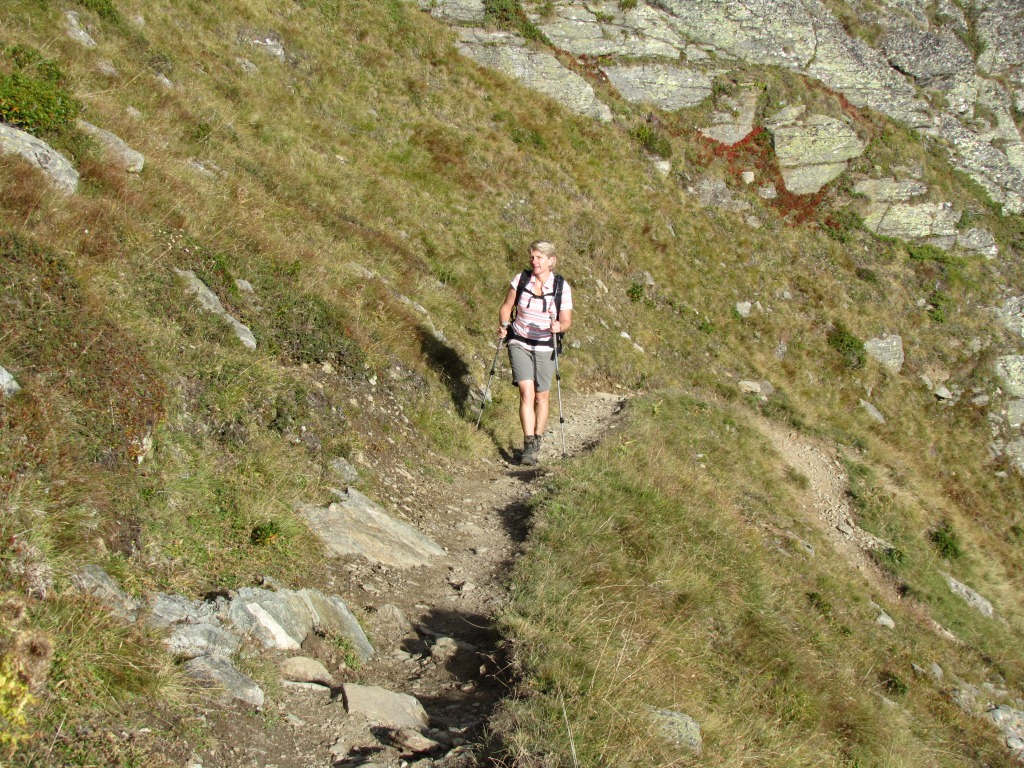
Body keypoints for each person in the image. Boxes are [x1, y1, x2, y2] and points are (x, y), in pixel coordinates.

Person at [497, 240, 573, 465]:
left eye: (539, 257)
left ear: (551, 260)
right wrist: (504, 325)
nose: (534, 261)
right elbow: (506, 306)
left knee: (541, 396)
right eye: (532, 257)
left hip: (545, 346)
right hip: (519, 341)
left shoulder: (561, 287)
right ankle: (529, 445)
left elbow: (566, 320)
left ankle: (537, 438)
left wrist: (559, 327)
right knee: (526, 393)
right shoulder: (521, 280)